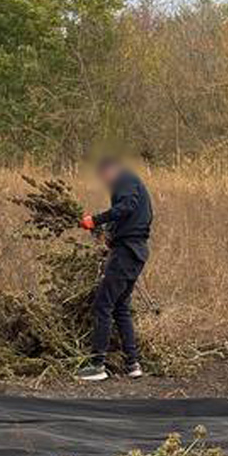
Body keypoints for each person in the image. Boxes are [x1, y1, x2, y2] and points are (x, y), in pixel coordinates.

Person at [75, 156, 152, 381]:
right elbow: (129, 215)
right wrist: (110, 233)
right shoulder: (132, 183)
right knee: (120, 308)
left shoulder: (125, 179)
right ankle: (132, 364)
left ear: (110, 170)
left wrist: (95, 220)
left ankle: (97, 365)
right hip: (135, 252)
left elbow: (125, 207)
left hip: (127, 253)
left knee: (103, 305)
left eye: (103, 176)